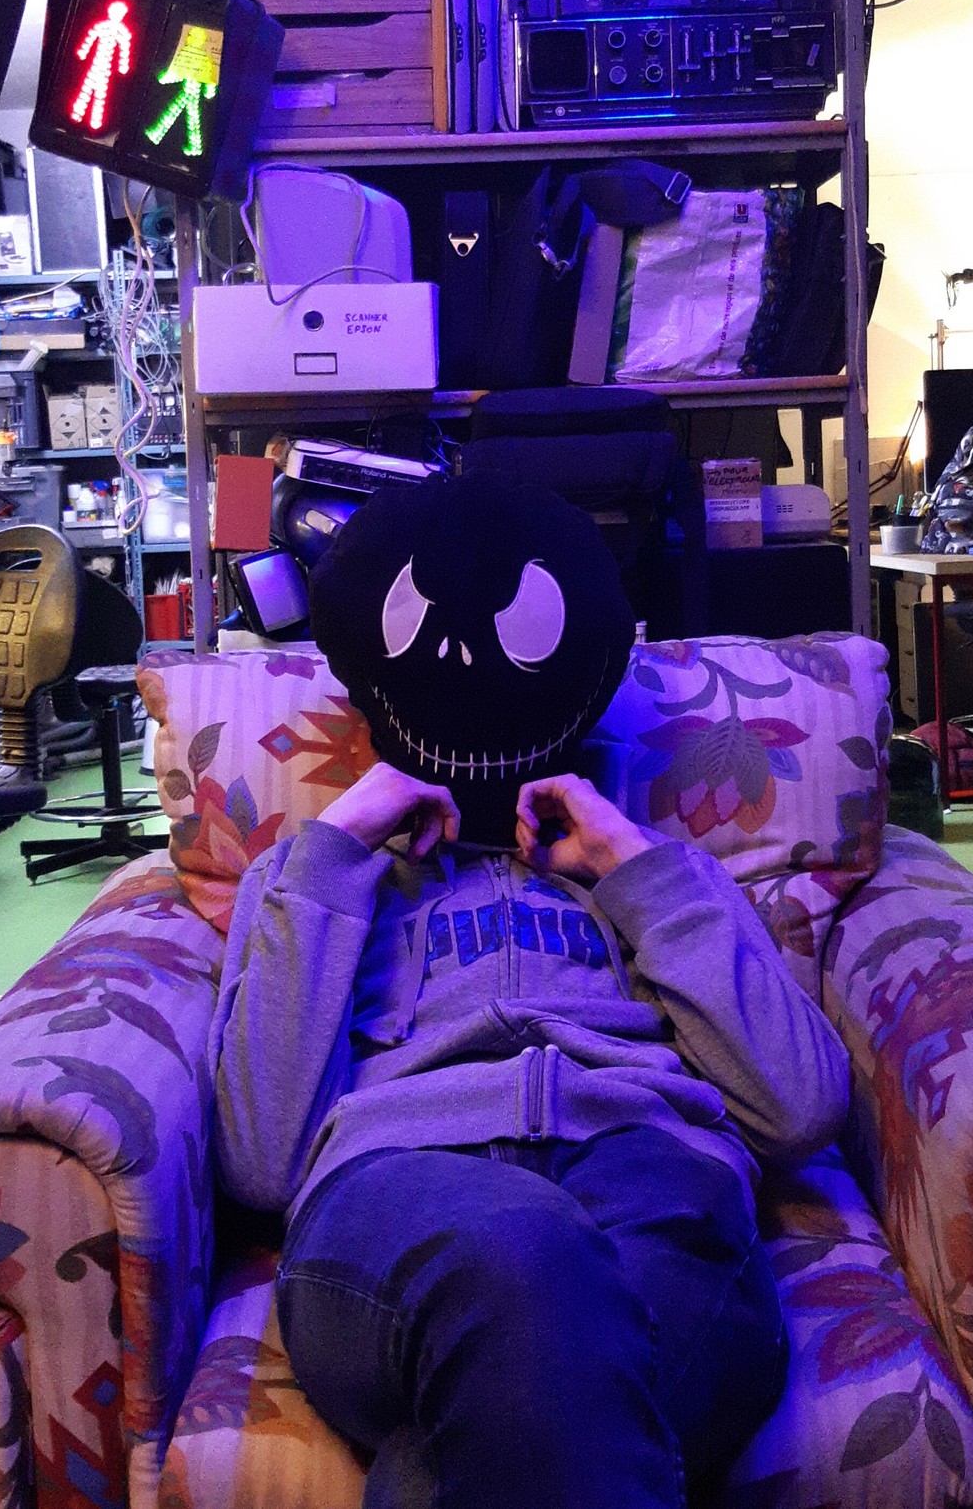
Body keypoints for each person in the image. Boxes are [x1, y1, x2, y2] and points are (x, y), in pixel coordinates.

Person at [210, 474, 849, 1509]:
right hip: (397, 1190)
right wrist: (337, 846)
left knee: (462, 1455)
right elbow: (258, 1156)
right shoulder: (308, 877)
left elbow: (801, 1105)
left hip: (653, 1176)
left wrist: (634, 866)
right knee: (527, 1253)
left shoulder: (658, 872)